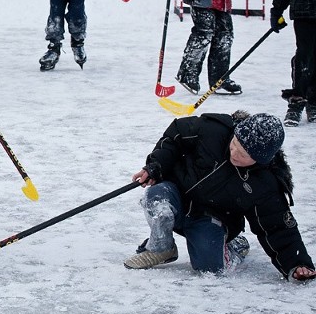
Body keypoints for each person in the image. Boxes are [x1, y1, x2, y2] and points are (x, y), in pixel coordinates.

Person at [124, 110, 316, 282]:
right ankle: (161, 247)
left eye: (243, 154)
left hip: (211, 217)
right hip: (177, 192)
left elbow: (277, 227)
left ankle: (234, 248)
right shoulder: (213, 130)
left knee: (210, 268)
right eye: (235, 144)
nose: (234, 152)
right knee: (157, 197)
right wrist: (156, 166)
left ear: (260, 160)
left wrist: (297, 263)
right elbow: (175, 135)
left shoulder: (264, 184)